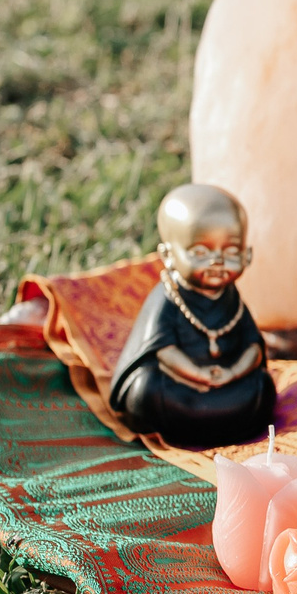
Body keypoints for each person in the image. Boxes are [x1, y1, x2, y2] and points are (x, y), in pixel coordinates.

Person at [111, 184, 278, 447]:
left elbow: (252, 347)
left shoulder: (231, 298)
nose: (217, 262)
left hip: (226, 383)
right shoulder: (167, 297)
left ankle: (221, 419)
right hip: (180, 386)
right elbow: (162, 350)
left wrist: (232, 372)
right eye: (200, 253)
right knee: (146, 389)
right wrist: (198, 375)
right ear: (167, 255)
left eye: (231, 252)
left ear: (247, 256)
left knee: (262, 386)